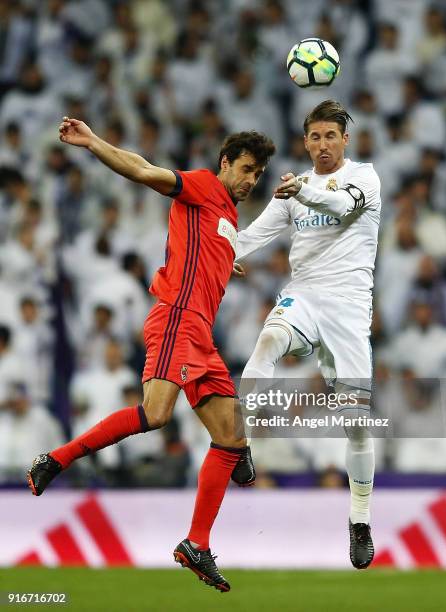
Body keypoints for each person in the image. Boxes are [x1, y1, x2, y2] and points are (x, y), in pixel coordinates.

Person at [27, 116, 275, 592]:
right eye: (245, 169)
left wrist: (227, 261)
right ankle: (57, 459)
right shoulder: (201, 185)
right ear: (225, 163)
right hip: (177, 320)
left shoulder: (226, 213)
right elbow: (144, 170)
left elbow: (207, 248)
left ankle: (196, 544)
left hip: (201, 335)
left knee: (231, 431)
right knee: (157, 414)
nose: (250, 180)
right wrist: (93, 141)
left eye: (257, 174)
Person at [235, 100, 381, 570]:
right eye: (314, 137)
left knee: (357, 423)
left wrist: (301, 192)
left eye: (330, 137)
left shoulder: (365, 178)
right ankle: (238, 441)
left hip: (349, 308)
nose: (322, 145)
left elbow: (339, 206)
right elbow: (249, 238)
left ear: (345, 140)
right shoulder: (292, 190)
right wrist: (217, 247)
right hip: (305, 295)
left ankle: (359, 520)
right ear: (305, 141)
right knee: (267, 342)